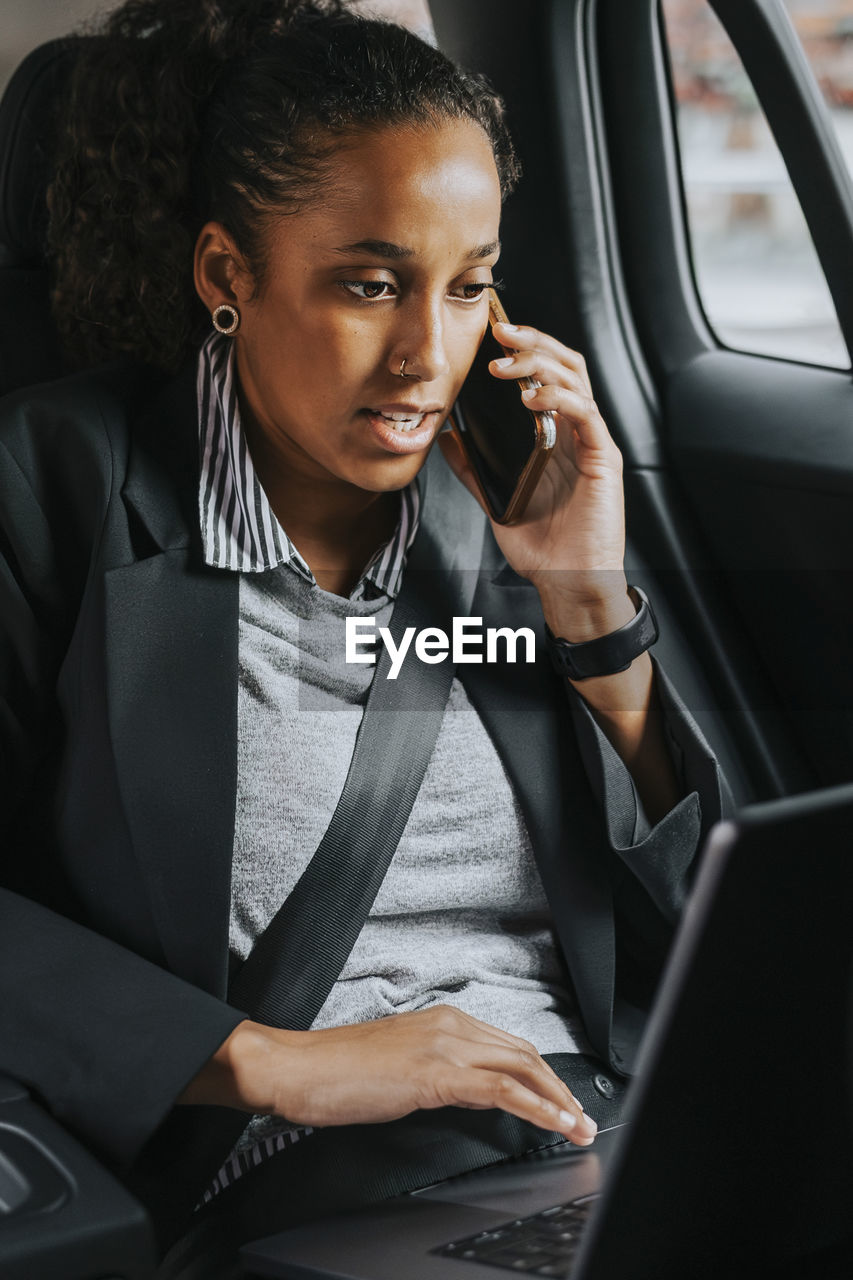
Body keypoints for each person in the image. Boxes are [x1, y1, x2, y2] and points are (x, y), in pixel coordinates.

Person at [0, 0, 724, 1274]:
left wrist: (589, 611)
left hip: (596, 1142)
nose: (426, 357)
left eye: (469, 288)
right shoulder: (58, 484)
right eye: (370, 284)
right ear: (227, 274)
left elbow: (692, 944)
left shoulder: (503, 505)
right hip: (308, 1184)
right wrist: (271, 1064)